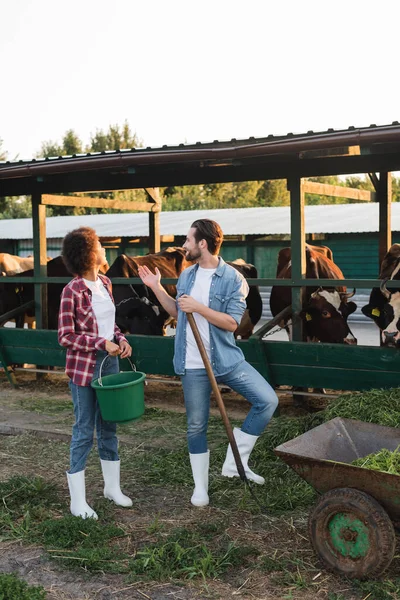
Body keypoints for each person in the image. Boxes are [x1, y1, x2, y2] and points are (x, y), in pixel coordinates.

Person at [138, 219, 278, 507]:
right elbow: (178, 312)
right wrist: (156, 288)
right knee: (196, 425)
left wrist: (199, 307)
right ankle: (200, 487)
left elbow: (231, 323)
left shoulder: (233, 279)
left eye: (188, 240)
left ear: (202, 244)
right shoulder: (187, 275)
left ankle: (234, 460)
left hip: (226, 359)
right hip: (192, 364)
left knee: (267, 400)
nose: (184, 245)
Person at [58, 227, 133, 520]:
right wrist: (99, 343)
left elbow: (109, 324)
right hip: (83, 368)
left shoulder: (105, 282)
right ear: (89, 253)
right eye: (101, 245)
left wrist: (120, 339)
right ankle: (77, 501)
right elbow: (65, 336)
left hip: (110, 364)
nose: (105, 249)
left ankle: (111, 488)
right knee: (83, 430)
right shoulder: (71, 291)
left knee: (109, 427)